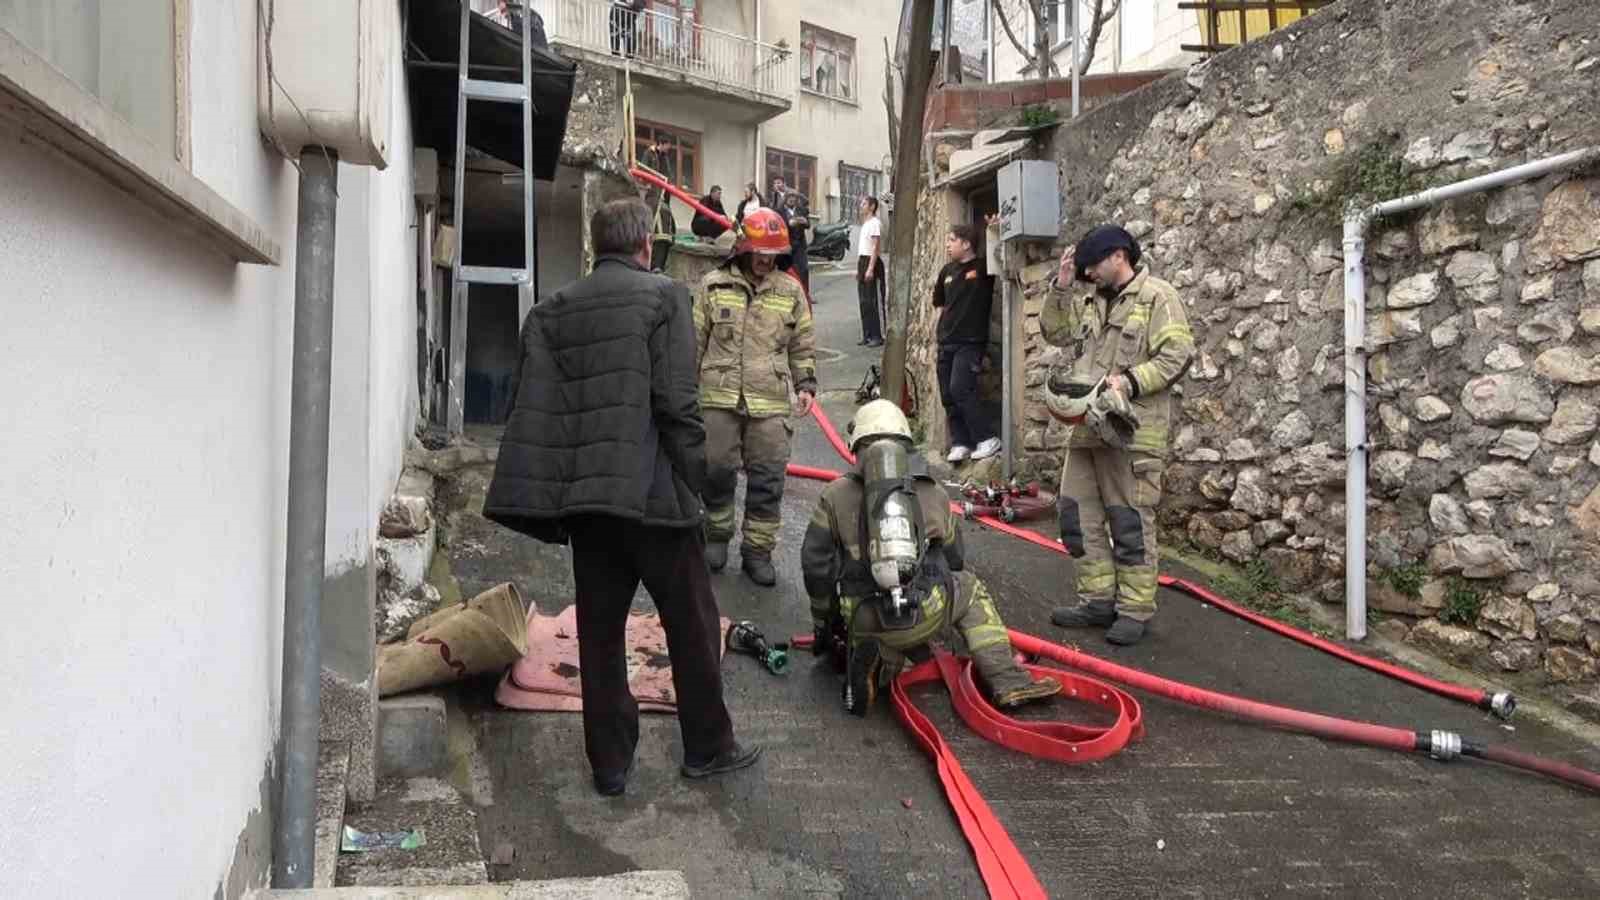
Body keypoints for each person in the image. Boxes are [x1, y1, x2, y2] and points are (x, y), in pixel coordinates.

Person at [482, 198, 760, 796]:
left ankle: (609, 766)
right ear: (644, 246)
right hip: (657, 497)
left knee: (600, 636)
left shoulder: (552, 311)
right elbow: (677, 401)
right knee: (691, 623)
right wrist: (705, 479)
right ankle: (708, 747)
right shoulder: (665, 298)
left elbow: (542, 410)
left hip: (591, 507)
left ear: (596, 246)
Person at [801, 400, 1063, 715]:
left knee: (858, 616)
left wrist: (822, 625)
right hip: (923, 612)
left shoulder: (833, 495)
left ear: (856, 446)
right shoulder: (933, 492)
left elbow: (815, 567)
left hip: (862, 620)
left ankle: (880, 659)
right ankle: (1008, 681)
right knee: (966, 586)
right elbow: (954, 559)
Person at [1040, 224, 1195, 646]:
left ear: (1118, 256)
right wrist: (1063, 284)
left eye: (1093, 264)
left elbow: (1177, 355)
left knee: (1129, 523)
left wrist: (1128, 381)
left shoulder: (1157, 297)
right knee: (1077, 516)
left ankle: (1134, 610)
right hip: (1087, 430)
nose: (1089, 271)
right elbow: (1054, 332)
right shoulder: (1088, 299)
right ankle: (1096, 600)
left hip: (1132, 432)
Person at [694, 208, 817, 586]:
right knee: (715, 471)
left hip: (769, 402)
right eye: (760, 251)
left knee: (767, 480)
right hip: (718, 398)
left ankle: (757, 552)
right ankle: (716, 538)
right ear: (744, 247)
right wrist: (681, 391)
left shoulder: (791, 290)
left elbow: (802, 344)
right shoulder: (712, 285)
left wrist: (806, 383)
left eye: (773, 253)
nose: (766, 259)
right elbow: (694, 341)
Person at [933, 224, 999, 463]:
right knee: (948, 394)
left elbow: (1001, 256)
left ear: (966, 243)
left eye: (952, 240)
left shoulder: (982, 268)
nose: (947, 244)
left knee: (961, 387)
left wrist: (994, 230)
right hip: (946, 342)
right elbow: (939, 304)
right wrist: (939, 332)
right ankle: (960, 441)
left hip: (970, 342)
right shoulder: (946, 271)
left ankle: (987, 438)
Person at [856, 196, 885, 347]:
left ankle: (877, 336)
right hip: (863, 261)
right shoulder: (866, 224)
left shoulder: (874, 223)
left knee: (872, 300)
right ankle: (867, 334)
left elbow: (875, 248)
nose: (861, 206)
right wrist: (860, 269)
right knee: (864, 301)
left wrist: (870, 269)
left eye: (864, 203)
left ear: (872, 207)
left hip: (871, 262)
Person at [781, 188, 812, 295]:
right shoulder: (780, 211)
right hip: (787, 245)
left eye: (794, 197)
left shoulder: (801, 210)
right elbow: (779, 225)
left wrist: (805, 221)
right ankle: (788, 293)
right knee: (788, 270)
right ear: (785, 198)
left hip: (800, 245)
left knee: (804, 269)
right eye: (789, 197)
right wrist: (788, 224)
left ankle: (805, 294)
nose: (791, 199)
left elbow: (808, 225)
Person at [648, 189, 676, 272]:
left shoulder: (651, 203)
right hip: (666, 238)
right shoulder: (665, 206)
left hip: (656, 237)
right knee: (660, 262)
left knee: (654, 263)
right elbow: (673, 223)